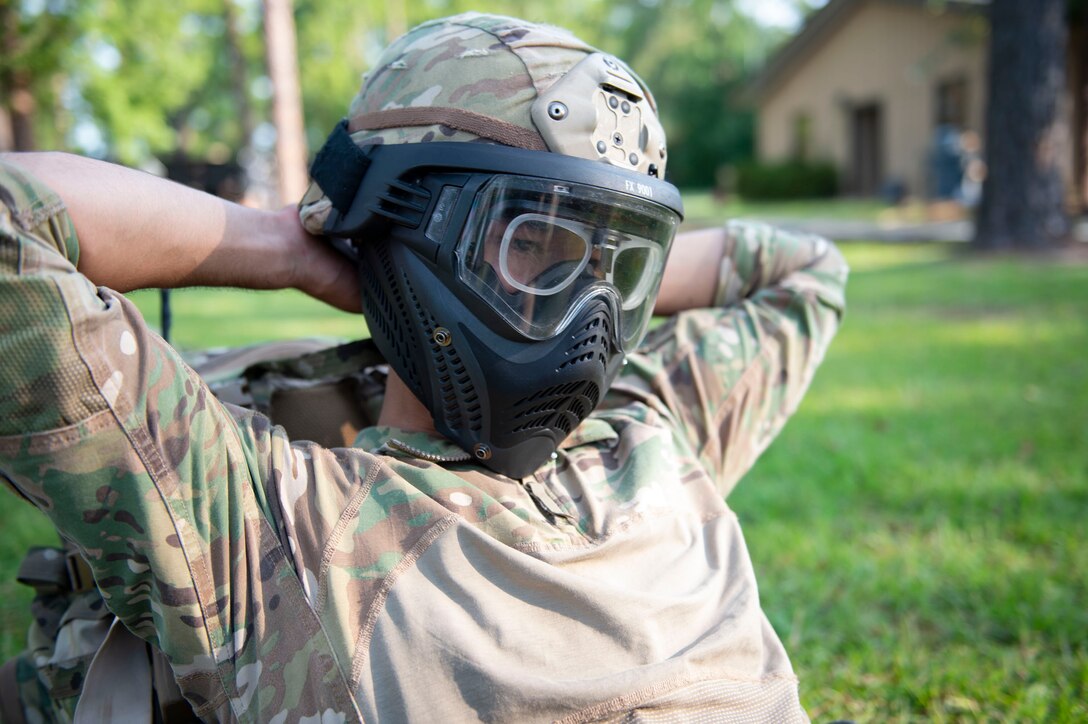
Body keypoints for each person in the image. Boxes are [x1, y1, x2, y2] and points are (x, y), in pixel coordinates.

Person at [0, 12, 847, 723]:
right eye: (533, 247)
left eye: (618, 271)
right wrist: (309, 245)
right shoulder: (275, 533)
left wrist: (320, 248)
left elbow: (807, 270)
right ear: (401, 223)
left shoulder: (648, 427)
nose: (591, 323)